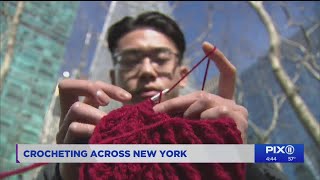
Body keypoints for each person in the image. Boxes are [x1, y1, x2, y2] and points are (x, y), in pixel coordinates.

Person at [38, 11, 286, 180]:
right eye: (131, 60)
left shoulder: (241, 147)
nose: (147, 70)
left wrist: (239, 160)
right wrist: (65, 174)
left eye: (160, 58)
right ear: (114, 77)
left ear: (183, 74)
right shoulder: (82, 149)